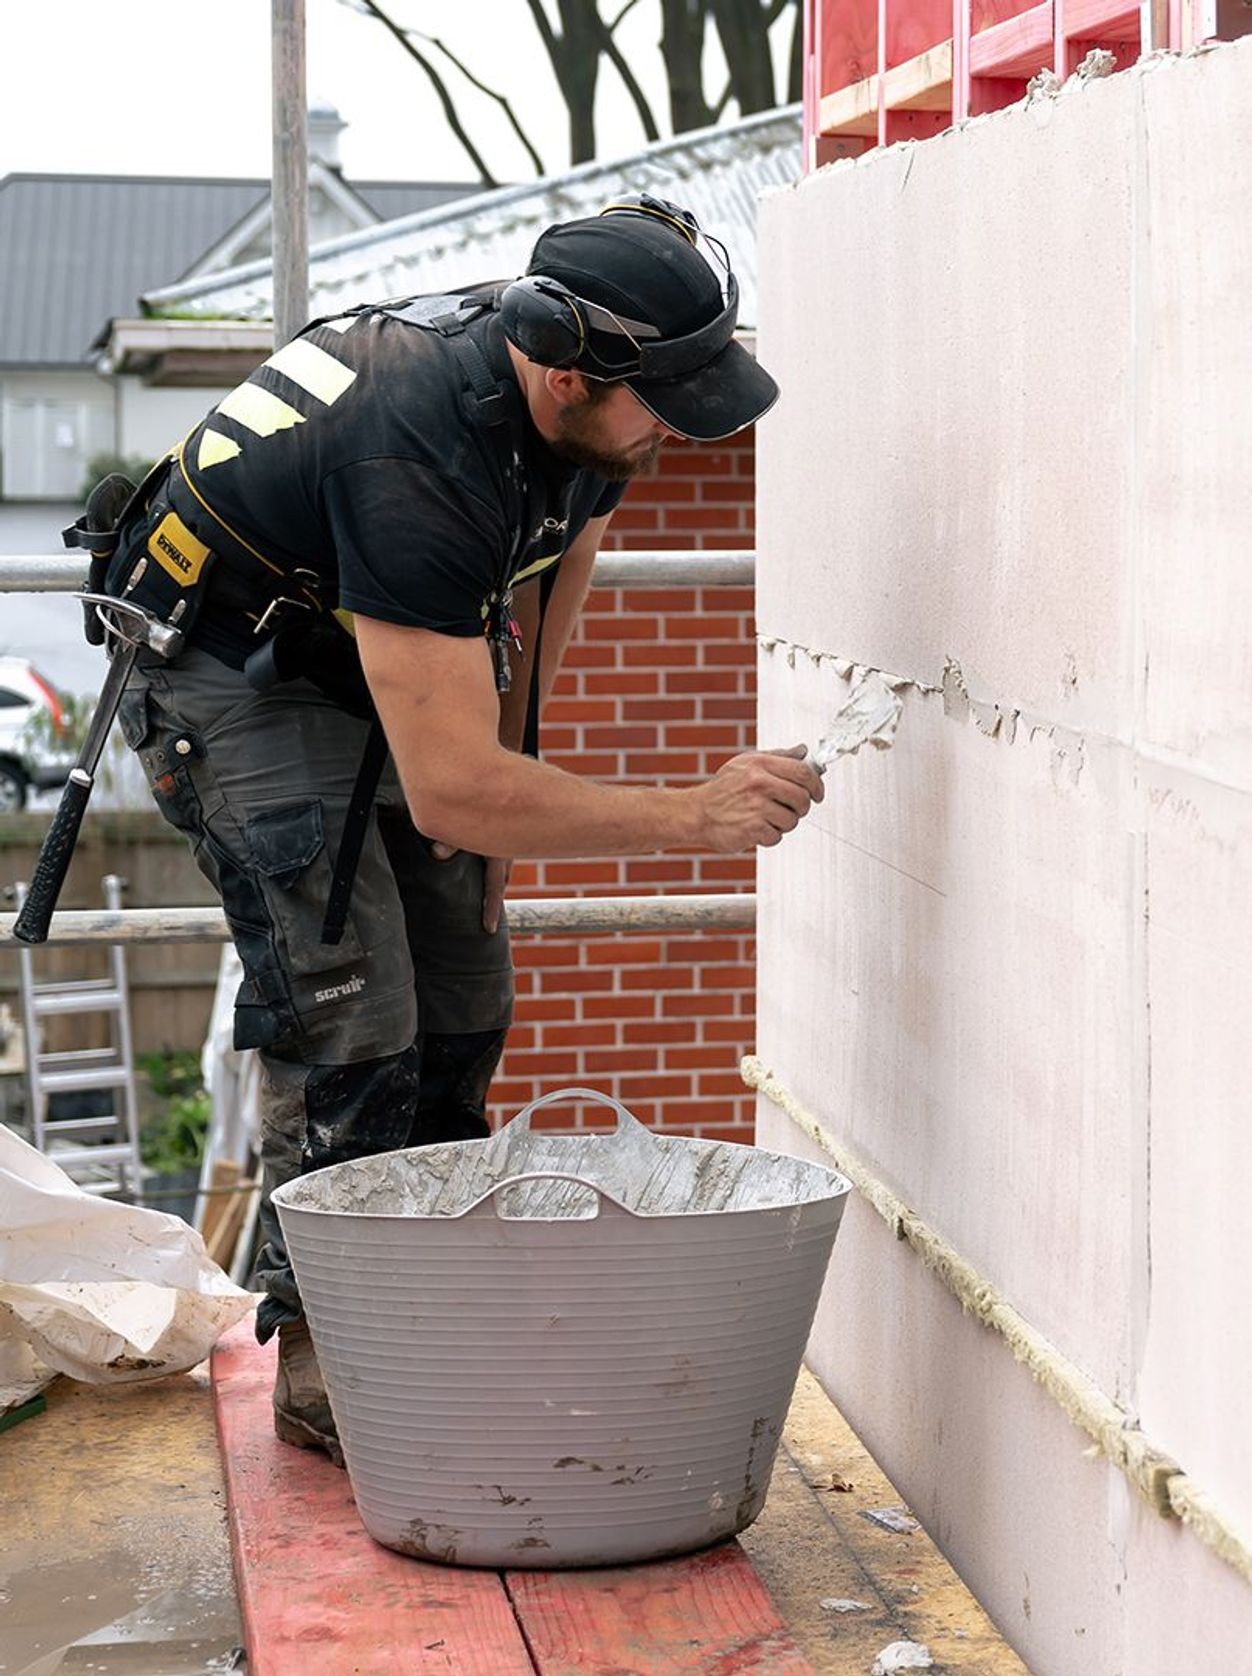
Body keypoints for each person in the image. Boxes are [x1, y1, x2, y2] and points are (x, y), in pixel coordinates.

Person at [99, 195, 822, 1462]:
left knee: (468, 987)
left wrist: (506, 803)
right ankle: (331, 1357)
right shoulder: (416, 455)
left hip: (364, 639)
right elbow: (445, 788)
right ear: (562, 368)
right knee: (352, 1010)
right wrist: (685, 815)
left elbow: (534, 627)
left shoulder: (595, 427)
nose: (674, 428)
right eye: (661, 399)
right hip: (229, 667)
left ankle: (424, 1305)